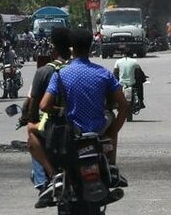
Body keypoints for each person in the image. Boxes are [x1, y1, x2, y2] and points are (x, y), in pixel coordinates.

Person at [35, 29, 128, 208]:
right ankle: (112, 166)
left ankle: (53, 175)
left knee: (36, 131)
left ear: (72, 49)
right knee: (112, 118)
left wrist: (61, 111)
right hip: (98, 130)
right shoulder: (104, 74)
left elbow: (44, 105)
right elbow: (124, 106)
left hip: (72, 132)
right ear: (91, 47)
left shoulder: (60, 74)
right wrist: (113, 129)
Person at [25, 28, 71, 193]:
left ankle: (45, 179)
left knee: (31, 134)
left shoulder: (44, 71)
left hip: (50, 122)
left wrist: (30, 119)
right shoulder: (75, 68)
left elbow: (35, 104)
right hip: (76, 122)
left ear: (54, 49)